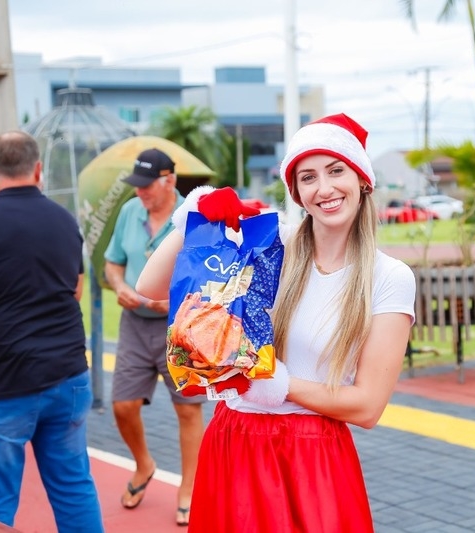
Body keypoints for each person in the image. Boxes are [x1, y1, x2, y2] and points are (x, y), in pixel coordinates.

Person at [136, 113, 416, 532]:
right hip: (234, 439)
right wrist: (194, 216)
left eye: (336, 170)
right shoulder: (272, 244)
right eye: (308, 178)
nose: (324, 188)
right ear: (297, 192)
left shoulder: (389, 277)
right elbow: (150, 286)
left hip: (312, 456)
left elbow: (367, 406)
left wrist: (275, 383)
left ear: (362, 179)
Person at [0, 131, 103, 532]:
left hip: (6, 380)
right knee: (73, 486)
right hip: (68, 373)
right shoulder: (64, 220)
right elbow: (75, 290)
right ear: (38, 169)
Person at [103, 148, 205, 525]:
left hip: (179, 325)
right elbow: (113, 263)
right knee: (123, 405)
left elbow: (210, 275)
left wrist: (175, 301)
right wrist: (119, 287)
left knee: (187, 408)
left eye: (147, 185)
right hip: (134, 323)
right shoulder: (130, 211)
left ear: (170, 181)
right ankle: (144, 463)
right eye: (137, 185)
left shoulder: (193, 218)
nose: (140, 191)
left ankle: (189, 488)